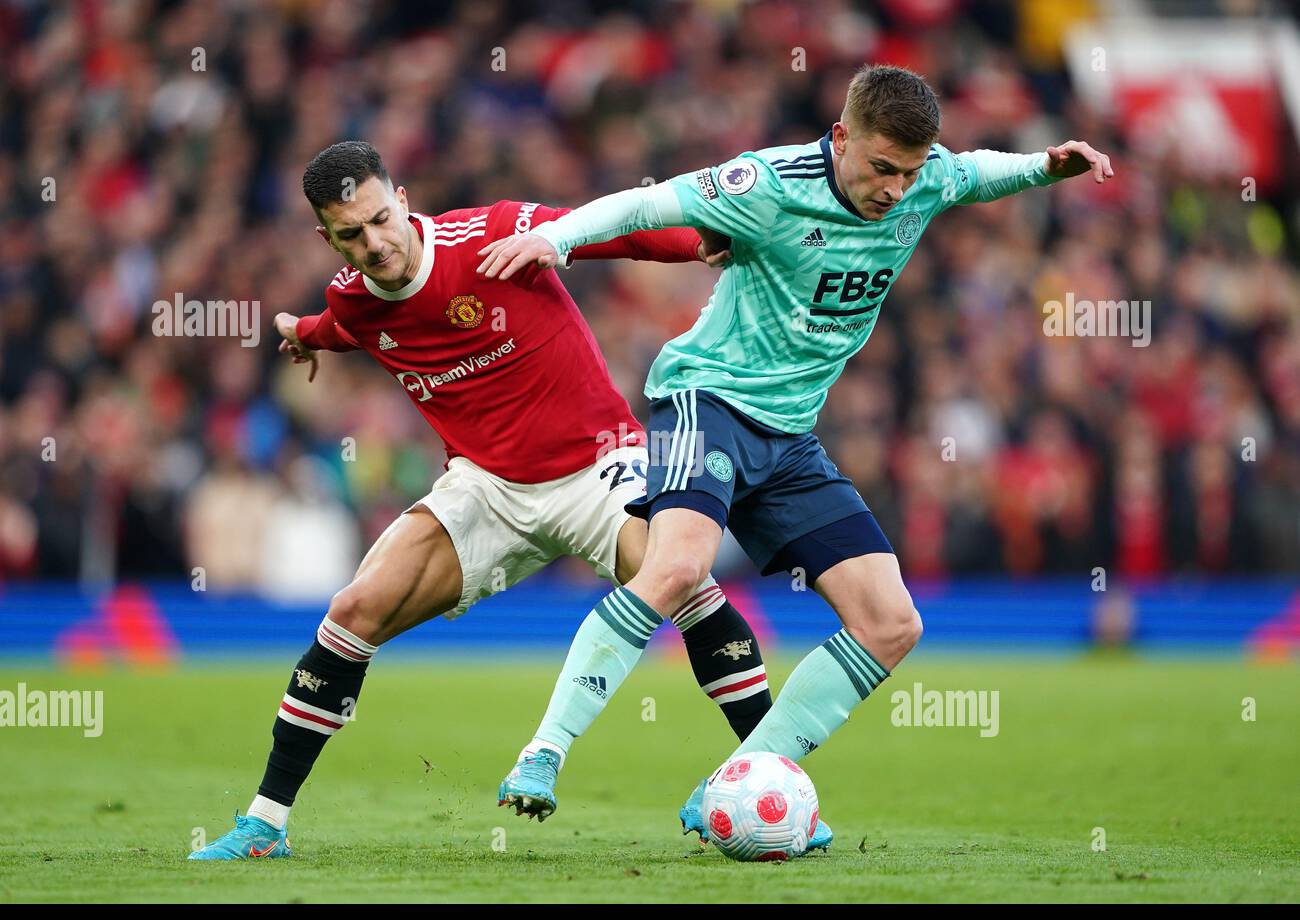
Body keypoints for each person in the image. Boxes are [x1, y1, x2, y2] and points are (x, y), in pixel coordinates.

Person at [477, 64, 1114, 845]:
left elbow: (975, 174)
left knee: (892, 622)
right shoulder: (767, 182)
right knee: (675, 567)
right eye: (882, 168)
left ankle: (736, 781)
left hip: (788, 438)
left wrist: (1046, 165)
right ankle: (542, 753)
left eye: (911, 172)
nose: (895, 189)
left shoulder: (926, 180)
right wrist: (557, 239)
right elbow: (649, 201)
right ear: (842, 138)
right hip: (704, 401)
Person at [188, 140, 783, 860]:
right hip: (489, 488)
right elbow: (343, 323)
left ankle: (776, 782)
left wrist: (702, 242)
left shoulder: (494, 234)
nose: (375, 243)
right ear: (328, 237)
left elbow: (612, 230)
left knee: (681, 578)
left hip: (599, 465)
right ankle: (264, 824)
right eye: (352, 234)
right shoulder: (354, 296)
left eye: (382, 219)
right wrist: (305, 335)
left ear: (402, 199)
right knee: (352, 612)